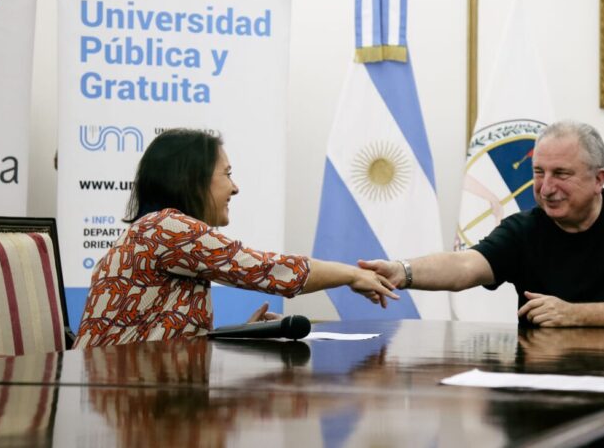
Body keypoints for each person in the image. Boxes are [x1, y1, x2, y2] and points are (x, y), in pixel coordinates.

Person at [74, 128, 397, 348]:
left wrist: (244, 332)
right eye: (226, 174)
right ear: (191, 179)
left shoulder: (152, 230)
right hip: (123, 397)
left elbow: (160, 333)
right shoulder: (166, 228)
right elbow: (269, 271)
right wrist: (352, 273)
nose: (235, 187)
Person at [360, 121, 604, 327]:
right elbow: (464, 266)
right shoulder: (525, 229)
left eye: (561, 174)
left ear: (598, 179)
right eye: (538, 173)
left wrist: (573, 314)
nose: (546, 188)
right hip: (542, 381)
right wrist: (402, 271)